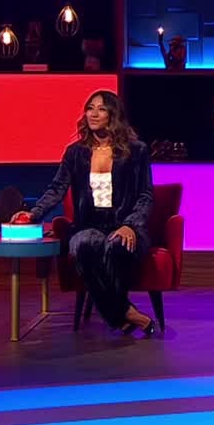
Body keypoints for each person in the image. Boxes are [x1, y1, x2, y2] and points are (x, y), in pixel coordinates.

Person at [27, 90, 158, 335]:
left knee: (118, 246)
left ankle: (119, 315)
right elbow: (57, 188)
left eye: (101, 109)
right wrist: (32, 214)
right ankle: (126, 313)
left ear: (113, 115)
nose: (93, 114)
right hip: (89, 224)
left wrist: (130, 225)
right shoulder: (75, 152)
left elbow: (145, 195)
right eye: (90, 108)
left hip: (126, 223)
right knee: (83, 244)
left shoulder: (136, 151)